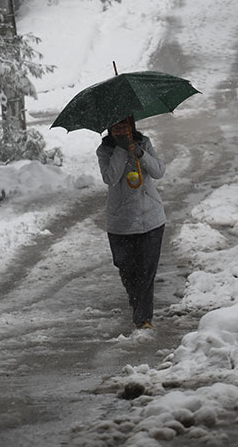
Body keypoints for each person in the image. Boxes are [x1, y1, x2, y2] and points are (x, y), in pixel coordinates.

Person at [96, 117, 166, 330]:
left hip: (150, 218)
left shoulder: (143, 143)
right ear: (110, 130)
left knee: (146, 270)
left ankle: (143, 318)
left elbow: (158, 171)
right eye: (117, 128)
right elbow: (110, 178)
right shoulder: (105, 151)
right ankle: (137, 302)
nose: (122, 131)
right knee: (126, 268)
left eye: (125, 127)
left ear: (132, 126)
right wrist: (121, 150)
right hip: (121, 222)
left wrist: (139, 153)